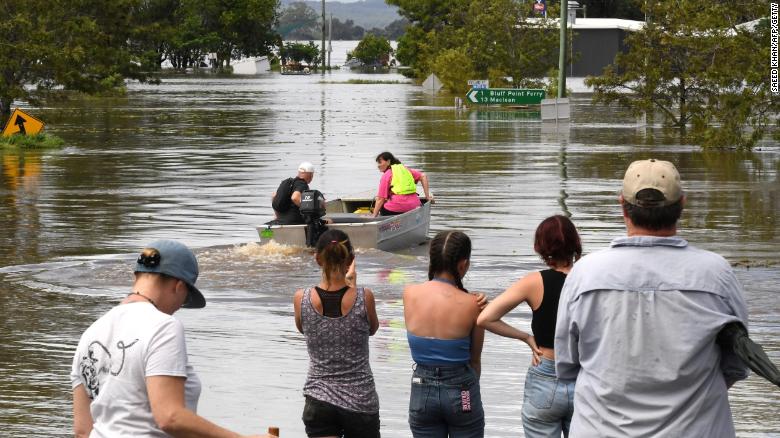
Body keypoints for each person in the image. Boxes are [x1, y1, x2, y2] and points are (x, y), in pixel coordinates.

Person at [554, 159, 749, 437]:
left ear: (622, 205)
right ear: (681, 204)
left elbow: (566, 364)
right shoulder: (716, 274)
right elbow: (738, 363)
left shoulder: (585, 274)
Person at [71, 240, 272, 438]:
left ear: (137, 277)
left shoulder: (90, 334)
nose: (178, 308)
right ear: (178, 286)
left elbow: (82, 431)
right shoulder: (163, 326)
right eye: (185, 299)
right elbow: (170, 417)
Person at [477, 215, 580, 437]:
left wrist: (526, 337)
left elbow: (485, 318)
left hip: (545, 372)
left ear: (542, 247)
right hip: (583, 375)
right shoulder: (590, 278)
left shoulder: (534, 282)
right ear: (575, 243)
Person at [293, 229, 381, 438]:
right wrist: (353, 286)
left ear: (317, 259)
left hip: (319, 398)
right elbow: (372, 329)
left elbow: (303, 328)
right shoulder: (364, 297)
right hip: (360, 400)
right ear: (350, 259)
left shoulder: (301, 298)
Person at [403, 231, 488, 437]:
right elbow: (475, 362)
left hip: (421, 392)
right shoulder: (473, 304)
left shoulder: (409, 293)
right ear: (463, 264)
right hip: (462, 393)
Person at [372, 152, 433, 217]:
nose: (378, 165)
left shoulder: (386, 175)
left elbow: (380, 199)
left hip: (396, 209)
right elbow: (423, 176)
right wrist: (427, 197)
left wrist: (373, 216)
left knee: (381, 207)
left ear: (388, 162)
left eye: (380, 162)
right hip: (415, 206)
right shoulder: (406, 170)